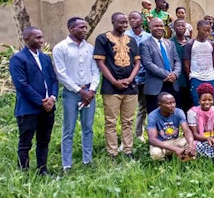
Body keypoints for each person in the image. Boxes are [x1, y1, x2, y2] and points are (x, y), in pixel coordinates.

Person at [53, 17, 101, 173]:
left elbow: (95, 70)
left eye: (85, 27)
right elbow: (61, 74)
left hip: (89, 92)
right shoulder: (61, 48)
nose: (84, 30)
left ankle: (87, 160)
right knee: (69, 129)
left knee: (88, 128)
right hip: (72, 93)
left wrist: (92, 90)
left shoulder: (90, 48)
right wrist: (81, 91)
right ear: (71, 29)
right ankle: (67, 164)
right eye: (81, 27)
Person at [94, 13, 141, 161]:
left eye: (126, 22)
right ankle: (112, 152)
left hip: (130, 86)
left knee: (128, 121)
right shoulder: (103, 39)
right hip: (111, 87)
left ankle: (128, 150)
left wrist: (130, 78)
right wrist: (114, 81)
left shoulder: (131, 40)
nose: (124, 25)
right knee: (111, 121)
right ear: (113, 22)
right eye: (121, 22)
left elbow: (137, 63)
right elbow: (100, 63)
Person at [11, 27, 58, 175]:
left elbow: (53, 80)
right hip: (29, 109)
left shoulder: (45, 58)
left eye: (41, 37)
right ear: (26, 39)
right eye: (37, 38)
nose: (41, 41)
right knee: (25, 143)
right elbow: (21, 85)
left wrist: (52, 98)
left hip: (48, 108)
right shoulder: (18, 59)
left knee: (44, 141)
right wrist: (41, 101)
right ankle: (23, 173)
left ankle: (42, 170)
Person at [141, 18, 183, 113]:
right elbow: (148, 64)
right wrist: (167, 75)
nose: (159, 28)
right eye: (156, 26)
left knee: (173, 113)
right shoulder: (145, 45)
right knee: (155, 114)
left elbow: (177, 61)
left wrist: (175, 74)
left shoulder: (170, 43)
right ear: (150, 28)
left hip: (173, 84)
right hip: (155, 86)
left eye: (161, 26)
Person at [126, 11, 153, 143]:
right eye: (130, 18)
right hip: (129, 78)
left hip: (145, 77)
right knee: (128, 108)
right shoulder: (125, 36)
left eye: (135, 18)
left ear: (141, 20)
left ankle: (139, 133)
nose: (132, 20)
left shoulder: (148, 37)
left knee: (143, 107)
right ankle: (126, 137)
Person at [147, 93, 197, 161]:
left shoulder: (179, 112)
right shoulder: (153, 116)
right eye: (169, 103)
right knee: (156, 153)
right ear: (160, 105)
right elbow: (152, 139)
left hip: (174, 141)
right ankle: (163, 165)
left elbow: (187, 131)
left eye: (174, 102)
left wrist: (191, 145)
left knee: (191, 142)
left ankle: (182, 160)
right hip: (160, 143)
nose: (173, 105)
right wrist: (175, 149)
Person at [187, 84, 214, 159]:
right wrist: (206, 139)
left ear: (213, 100)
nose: (207, 102)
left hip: (213, 135)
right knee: (199, 146)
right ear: (199, 101)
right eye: (204, 100)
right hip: (199, 138)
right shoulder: (192, 112)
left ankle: (212, 155)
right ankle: (212, 156)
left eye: (210, 100)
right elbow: (195, 133)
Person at [183, 20, 214, 108]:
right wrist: (191, 75)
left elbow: (212, 60)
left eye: (208, 30)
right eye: (204, 30)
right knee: (197, 102)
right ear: (198, 29)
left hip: (210, 77)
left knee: (210, 103)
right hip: (196, 77)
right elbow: (186, 63)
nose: (206, 33)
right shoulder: (190, 44)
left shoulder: (211, 44)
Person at [172, 19, 191, 111]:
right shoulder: (169, 43)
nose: (180, 28)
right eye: (178, 26)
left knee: (189, 107)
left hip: (189, 79)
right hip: (177, 80)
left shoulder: (190, 42)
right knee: (177, 107)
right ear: (174, 27)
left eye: (183, 26)